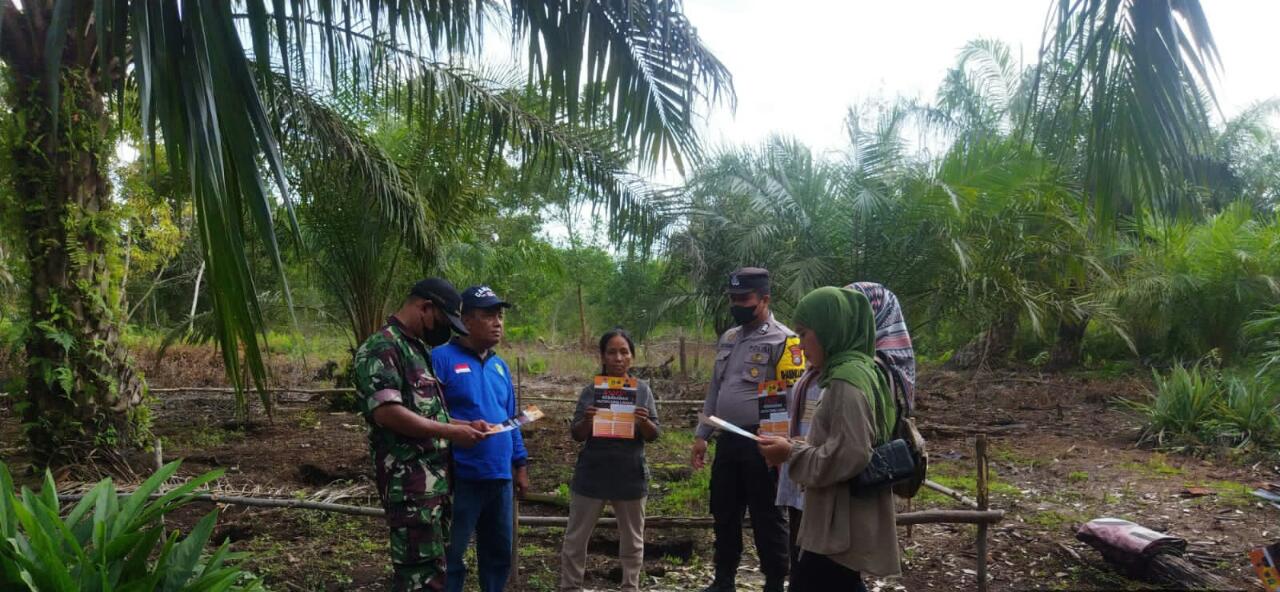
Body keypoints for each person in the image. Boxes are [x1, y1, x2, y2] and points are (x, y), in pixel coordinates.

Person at [758, 287, 901, 592]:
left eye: (804, 333)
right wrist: (796, 446)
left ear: (829, 330)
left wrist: (791, 454)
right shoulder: (863, 370)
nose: (800, 344)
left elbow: (851, 453)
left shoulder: (845, 381)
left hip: (837, 519)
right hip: (840, 513)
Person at [354, 278, 490, 592]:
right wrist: (451, 431)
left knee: (436, 573)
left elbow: (426, 413)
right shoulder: (382, 347)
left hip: (434, 487)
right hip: (411, 489)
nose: (444, 331)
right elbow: (387, 412)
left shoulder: (416, 349)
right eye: (443, 321)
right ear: (425, 308)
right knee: (420, 578)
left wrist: (464, 425)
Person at [692, 267, 803, 592]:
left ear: (765, 299)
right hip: (727, 438)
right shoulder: (729, 338)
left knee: (767, 514)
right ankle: (724, 580)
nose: (737, 305)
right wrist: (701, 435)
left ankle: (774, 582)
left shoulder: (785, 340)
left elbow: (793, 397)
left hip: (763, 440)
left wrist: (784, 444)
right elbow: (716, 388)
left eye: (744, 299)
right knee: (724, 511)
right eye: (733, 298)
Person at [430, 285, 529, 592]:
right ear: (466, 320)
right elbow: (428, 415)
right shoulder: (440, 359)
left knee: (498, 554)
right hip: (460, 477)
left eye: (500, 316)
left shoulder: (500, 366)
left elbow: (511, 419)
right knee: (452, 554)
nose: (498, 323)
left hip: (500, 476)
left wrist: (520, 464)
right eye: (488, 316)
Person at [559, 328, 661, 592]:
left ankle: (630, 586)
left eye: (624, 352)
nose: (618, 358)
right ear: (603, 356)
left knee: (633, 540)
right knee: (576, 538)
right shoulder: (591, 391)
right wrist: (588, 420)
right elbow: (577, 434)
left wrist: (644, 421)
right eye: (612, 352)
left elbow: (654, 435)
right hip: (592, 474)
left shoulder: (642, 390)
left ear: (632, 357)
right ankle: (570, 587)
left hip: (630, 474)